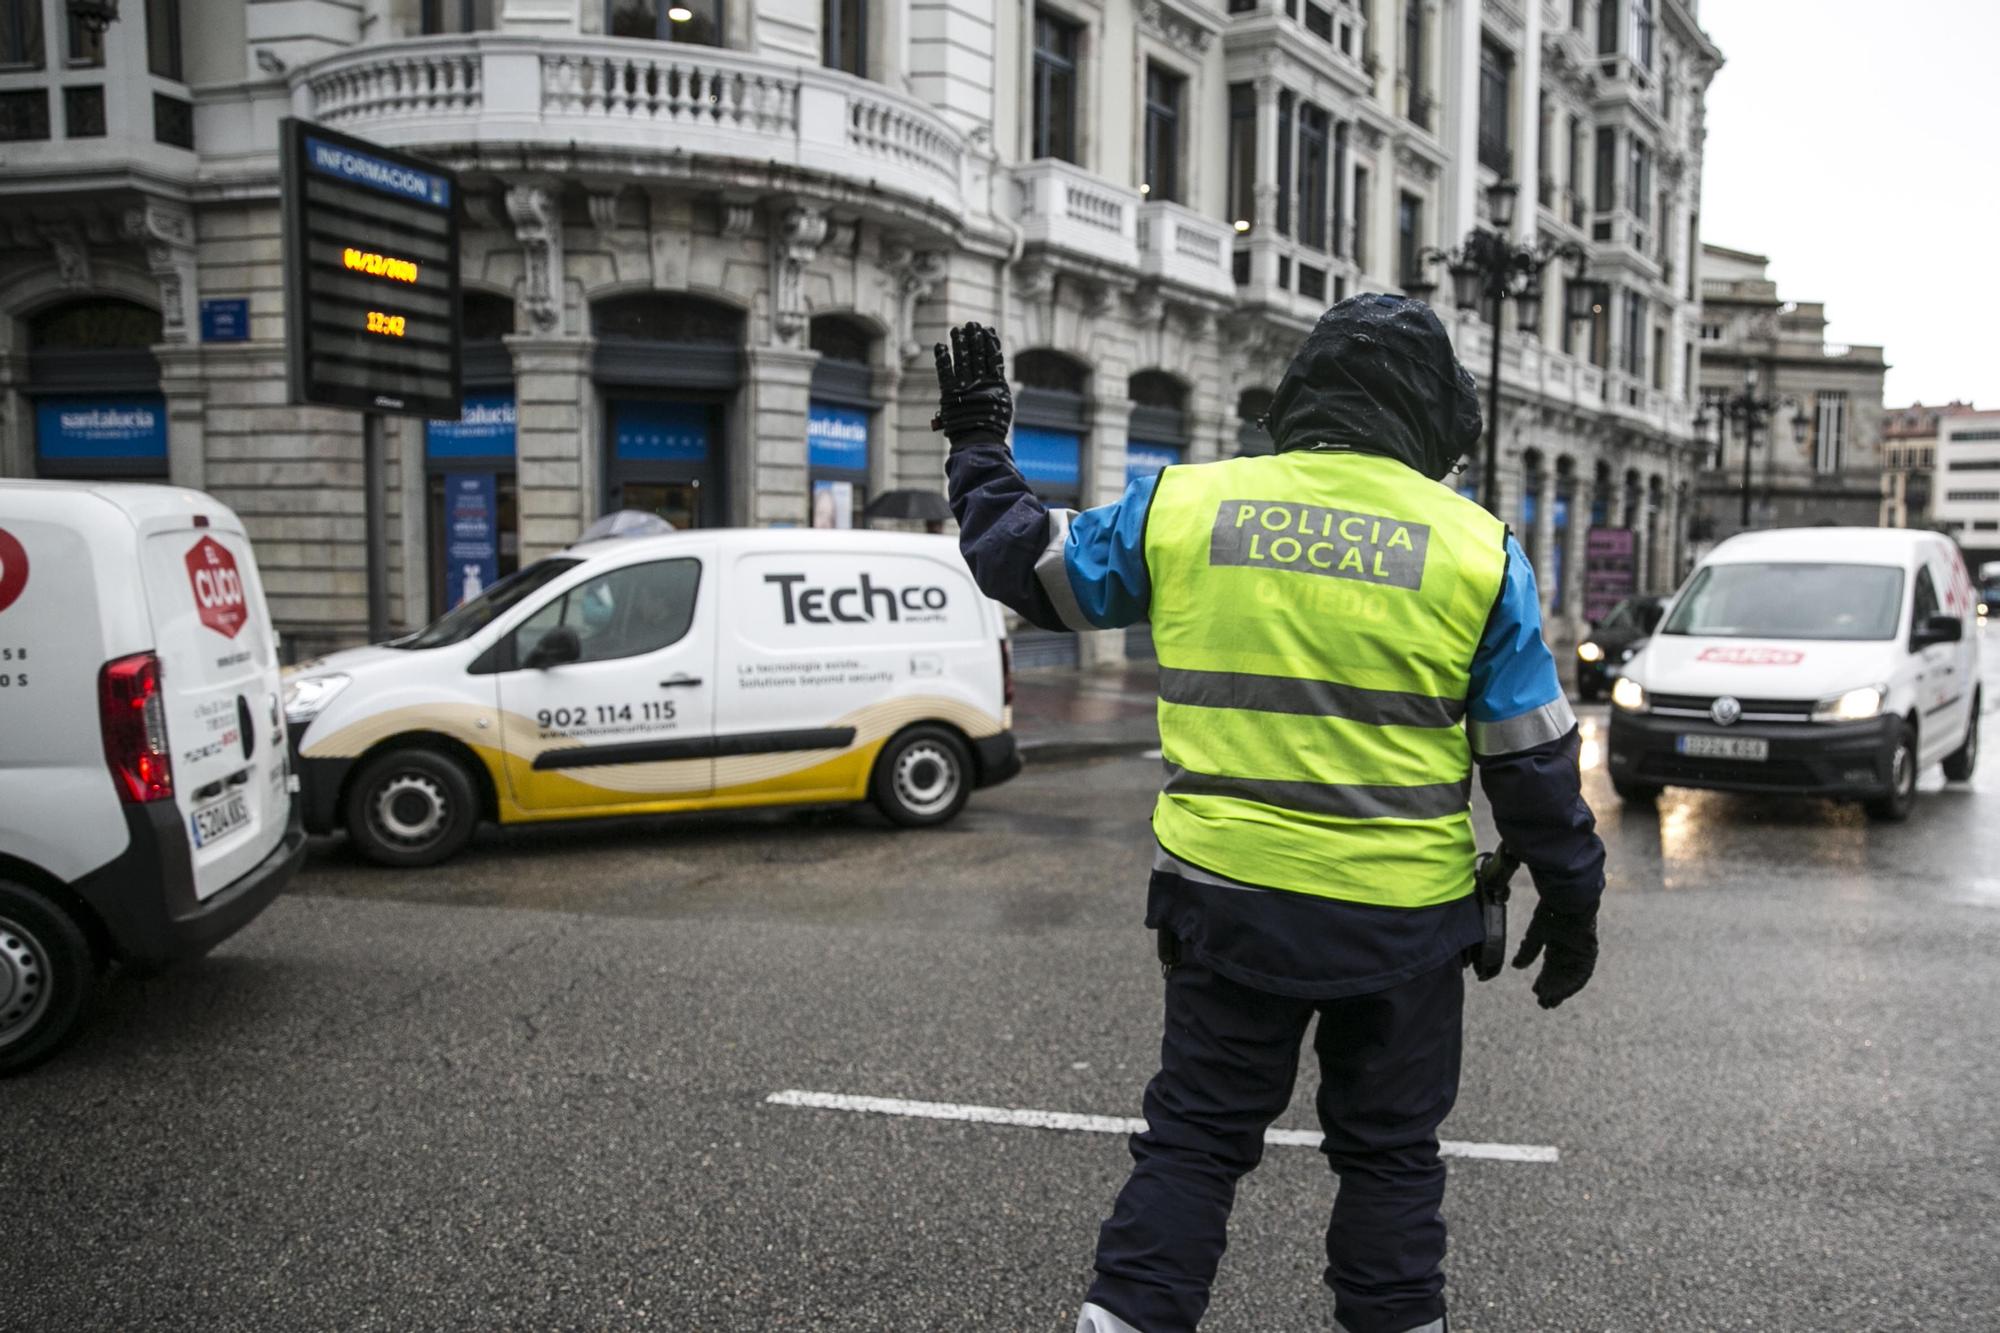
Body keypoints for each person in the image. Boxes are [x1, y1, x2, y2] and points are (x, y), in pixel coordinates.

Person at [930, 296, 1606, 1333]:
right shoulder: (1477, 551)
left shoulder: (1187, 506)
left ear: (1304, 392)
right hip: (1402, 925)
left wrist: (980, 437)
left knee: (1193, 1146)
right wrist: (1571, 896)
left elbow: (1023, 564)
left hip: (1226, 906)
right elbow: (1530, 764)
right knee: (1386, 1161)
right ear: (1432, 414)